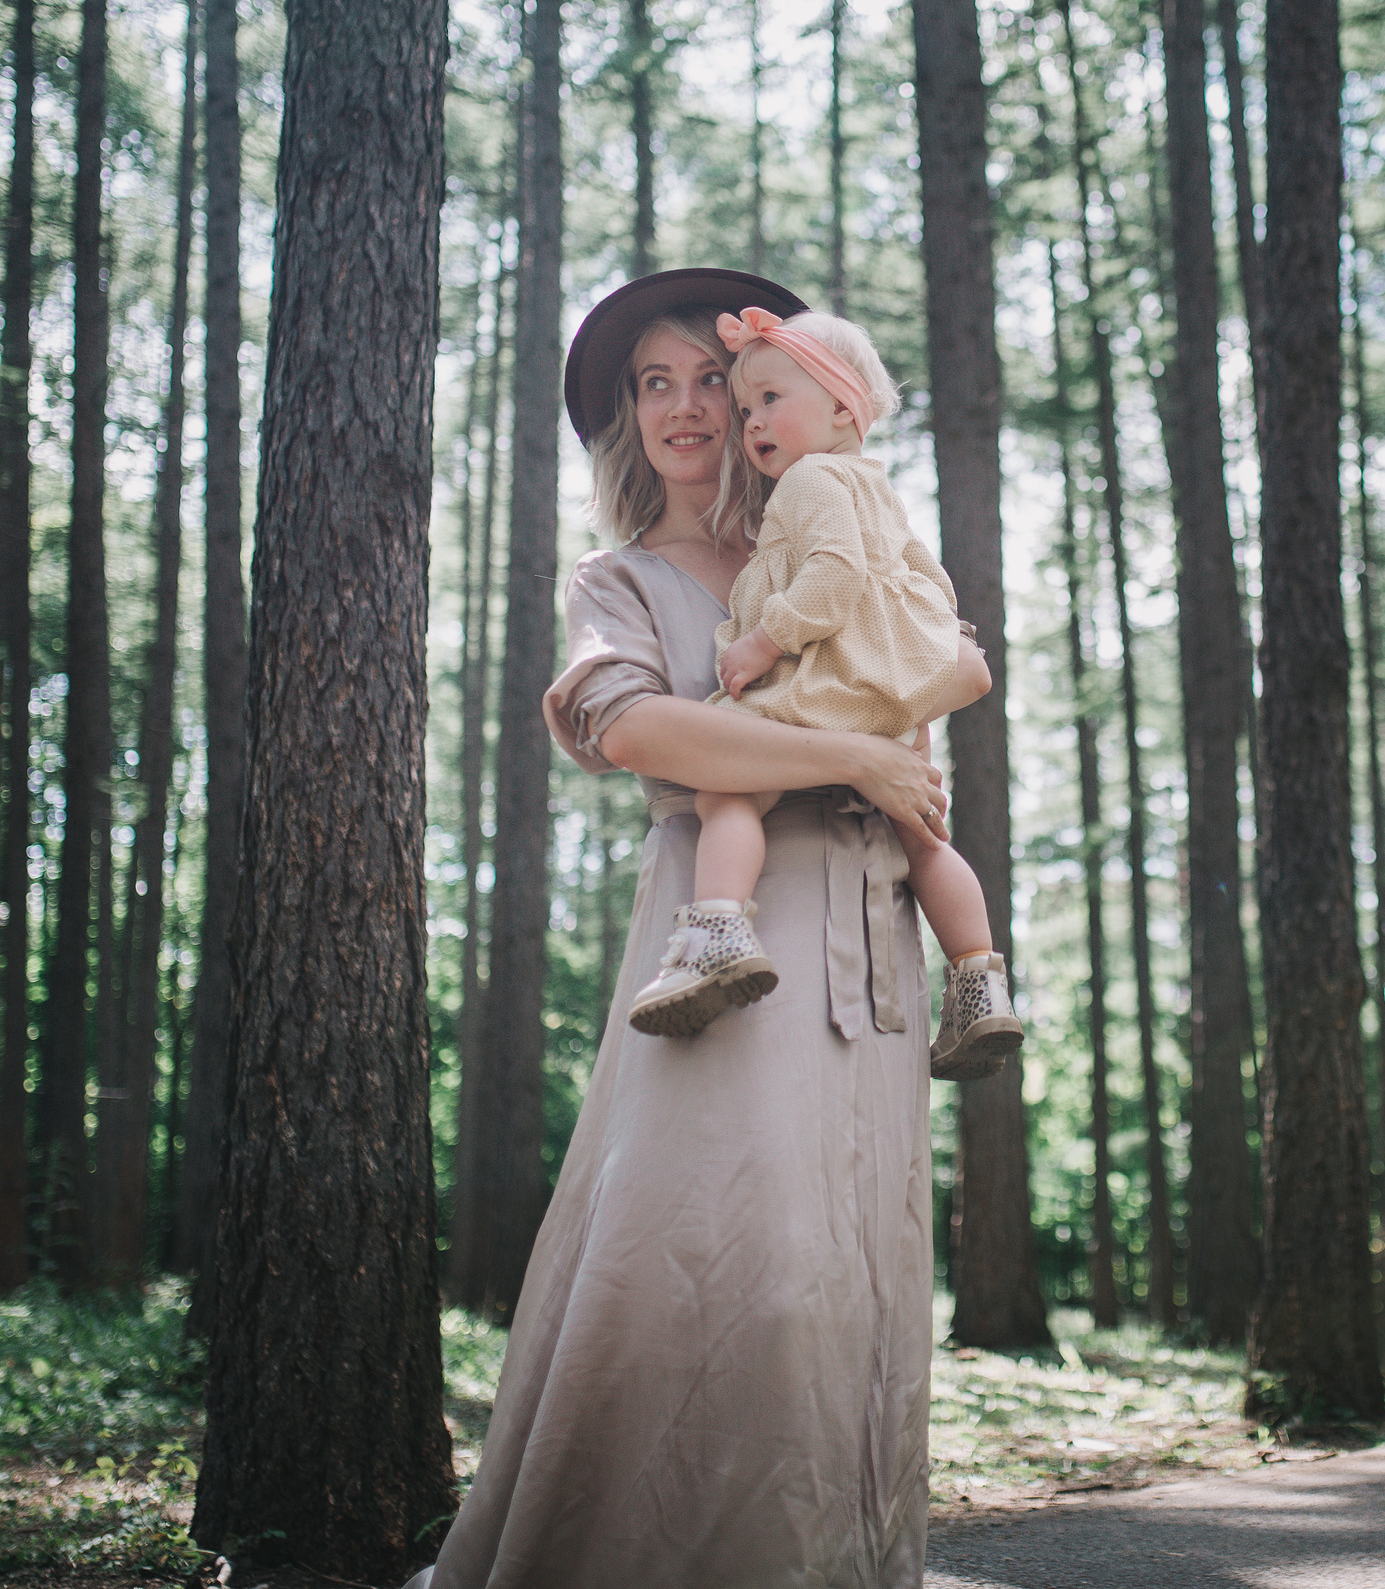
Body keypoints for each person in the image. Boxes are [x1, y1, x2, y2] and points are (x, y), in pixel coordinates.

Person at [408, 269, 983, 1589]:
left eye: (709, 377)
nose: (684, 404)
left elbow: (957, 660)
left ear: (772, 397)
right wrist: (853, 745)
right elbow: (636, 727)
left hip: (870, 937)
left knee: (856, 1266)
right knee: (725, 1254)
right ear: (626, 419)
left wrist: (890, 714)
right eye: (650, 383)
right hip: (722, 942)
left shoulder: (840, 541)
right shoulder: (622, 577)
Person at [622, 304, 1022, 1082]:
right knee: (925, 835)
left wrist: (763, 639)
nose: (751, 422)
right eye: (745, 410)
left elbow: (833, 577)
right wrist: (922, 656)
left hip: (828, 685)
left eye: (770, 399)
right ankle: (979, 978)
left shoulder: (807, 482)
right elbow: (929, 581)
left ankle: (718, 934)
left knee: (727, 788)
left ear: (843, 407)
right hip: (887, 689)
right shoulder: (876, 486)